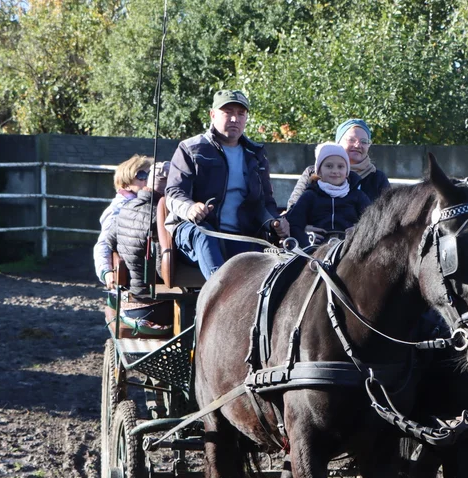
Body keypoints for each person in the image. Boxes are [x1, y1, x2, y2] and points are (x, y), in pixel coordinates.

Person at [165, 90, 290, 279]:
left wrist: (275, 222)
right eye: (228, 112)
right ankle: (220, 295)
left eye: (241, 114)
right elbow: (173, 193)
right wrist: (191, 209)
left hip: (241, 236)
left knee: (273, 262)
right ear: (212, 114)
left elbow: (265, 201)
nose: (235, 119)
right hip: (196, 232)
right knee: (205, 235)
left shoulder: (256, 155)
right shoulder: (191, 148)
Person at [113, 162, 173, 336]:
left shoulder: (125, 208)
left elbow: (108, 243)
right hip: (156, 308)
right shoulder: (162, 217)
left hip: (128, 302)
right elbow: (164, 271)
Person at [286, 118, 390, 207]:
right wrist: (304, 227)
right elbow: (294, 206)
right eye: (351, 140)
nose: (358, 145)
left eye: (364, 141)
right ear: (338, 142)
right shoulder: (312, 172)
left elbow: (388, 215)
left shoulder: (377, 178)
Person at [284, 143, 370, 245]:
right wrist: (305, 238)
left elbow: (372, 221)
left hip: (349, 248)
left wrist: (359, 230)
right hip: (314, 249)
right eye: (329, 166)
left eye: (340, 166)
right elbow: (294, 223)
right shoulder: (310, 195)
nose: (335, 171)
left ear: (347, 171)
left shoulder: (358, 196)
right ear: (319, 171)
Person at [94, 155, 152, 289]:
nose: (147, 180)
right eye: (142, 175)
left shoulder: (151, 204)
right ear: (125, 183)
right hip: (126, 280)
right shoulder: (117, 209)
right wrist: (106, 272)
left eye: (150, 175)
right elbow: (103, 244)